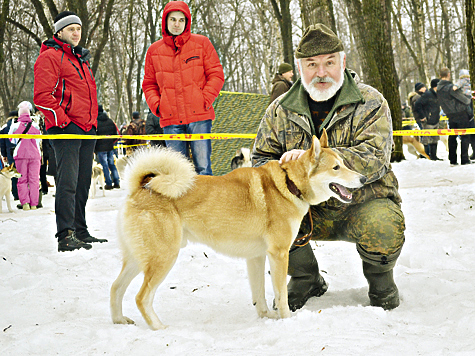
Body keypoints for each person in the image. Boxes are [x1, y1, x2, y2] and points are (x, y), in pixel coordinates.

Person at [252, 24, 405, 311]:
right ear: (300, 68)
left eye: (329, 62)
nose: (321, 72)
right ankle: (305, 277)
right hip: (305, 209)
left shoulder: (369, 102)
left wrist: (315, 158)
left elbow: (375, 156)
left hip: (361, 203)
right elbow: (260, 159)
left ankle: (380, 280)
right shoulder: (280, 109)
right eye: (312, 64)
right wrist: (290, 171)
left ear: (342, 63)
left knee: (384, 226)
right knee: (271, 212)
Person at [34, 10, 106, 251]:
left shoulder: (80, 60)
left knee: (83, 181)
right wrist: (64, 121)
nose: (76, 33)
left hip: (86, 129)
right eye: (71, 29)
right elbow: (42, 97)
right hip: (66, 130)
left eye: (78, 29)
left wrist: (93, 123)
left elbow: (90, 97)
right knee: (67, 183)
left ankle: (80, 230)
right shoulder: (51, 57)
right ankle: (65, 234)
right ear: (59, 32)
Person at [142, 0, 225, 175]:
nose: (177, 24)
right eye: (173, 19)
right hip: (170, 119)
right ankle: (182, 204)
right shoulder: (154, 51)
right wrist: (158, 106)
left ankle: (205, 203)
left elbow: (216, 75)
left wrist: (205, 99)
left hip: (199, 118)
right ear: (166, 21)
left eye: (181, 20)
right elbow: (149, 84)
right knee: (177, 172)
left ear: (187, 22)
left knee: (203, 168)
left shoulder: (202, 43)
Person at [437, 67, 474, 166]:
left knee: (452, 136)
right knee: (464, 136)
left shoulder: (439, 89)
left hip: (450, 114)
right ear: (448, 74)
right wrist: (468, 99)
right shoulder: (450, 87)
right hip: (461, 113)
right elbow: (465, 100)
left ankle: (452, 160)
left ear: (440, 76)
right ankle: (464, 159)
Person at [8, 101, 41, 210]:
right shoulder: (35, 125)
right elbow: (39, 140)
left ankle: (25, 203)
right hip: (35, 155)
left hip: (20, 155)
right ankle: (34, 204)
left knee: (22, 180)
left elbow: (12, 140)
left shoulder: (14, 126)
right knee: (34, 179)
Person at [413, 78, 442, 160]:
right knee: (427, 139)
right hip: (428, 120)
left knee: (435, 139)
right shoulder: (427, 94)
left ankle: (434, 156)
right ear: (435, 86)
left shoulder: (437, 94)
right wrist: (422, 116)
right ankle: (425, 155)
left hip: (436, 119)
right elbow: (417, 105)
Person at [95, 105, 120, 189]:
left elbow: (94, 136)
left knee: (104, 165)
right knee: (112, 164)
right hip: (110, 146)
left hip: (101, 148)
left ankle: (108, 183)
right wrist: (111, 143)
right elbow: (115, 134)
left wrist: (95, 148)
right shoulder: (110, 121)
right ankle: (116, 182)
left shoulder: (95, 122)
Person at [0, 111, 19, 200]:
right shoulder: (20, 124)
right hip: (20, 151)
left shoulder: (4, 128)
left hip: (10, 152)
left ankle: (15, 193)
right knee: (20, 172)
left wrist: (4, 154)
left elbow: (2, 143)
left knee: (12, 172)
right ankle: (23, 194)